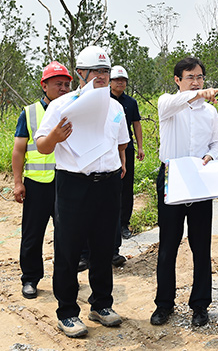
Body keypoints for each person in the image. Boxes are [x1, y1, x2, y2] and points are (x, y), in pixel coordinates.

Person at [35, 45, 130, 338]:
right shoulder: (61, 105)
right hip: (74, 185)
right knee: (69, 249)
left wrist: (121, 165)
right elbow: (41, 145)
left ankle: (101, 304)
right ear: (80, 74)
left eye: (105, 71)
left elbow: (121, 143)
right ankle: (67, 311)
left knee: (104, 247)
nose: (101, 77)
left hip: (108, 184)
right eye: (95, 72)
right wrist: (54, 136)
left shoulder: (115, 106)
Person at [150, 57, 218, 328]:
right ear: (177, 80)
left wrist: (211, 155)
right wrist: (196, 95)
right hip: (173, 178)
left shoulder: (210, 112)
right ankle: (164, 304)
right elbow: (175, 102)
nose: (196, 82)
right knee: (168, 245)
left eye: (200, 77)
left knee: (201, 246)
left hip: (200, 180)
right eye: (190, 77)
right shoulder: (168, 105)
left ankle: (200, 305)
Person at [12, 61, 71, 300]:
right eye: (58, 84)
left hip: (65, 182)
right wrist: (18, 182)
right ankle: (30, 279)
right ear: (44, 86)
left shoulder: (72, 110)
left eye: (67, 84)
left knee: (67, 234)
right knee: (32, 234)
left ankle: (65, 280)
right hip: (36, 184)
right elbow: (18, 150)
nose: (64, 89)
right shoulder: (29, 113)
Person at [109, 65, 145, 240]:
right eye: (117, 80)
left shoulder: (131, 103)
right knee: (109, 187)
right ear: (110, 81)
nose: (120, 83)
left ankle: (124, 224)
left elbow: (136, 124)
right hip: (107, 149)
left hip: (126, 148)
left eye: (123, 80)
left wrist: (140, 146)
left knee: (126, 187)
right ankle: (110, 224)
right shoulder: (103, 101)